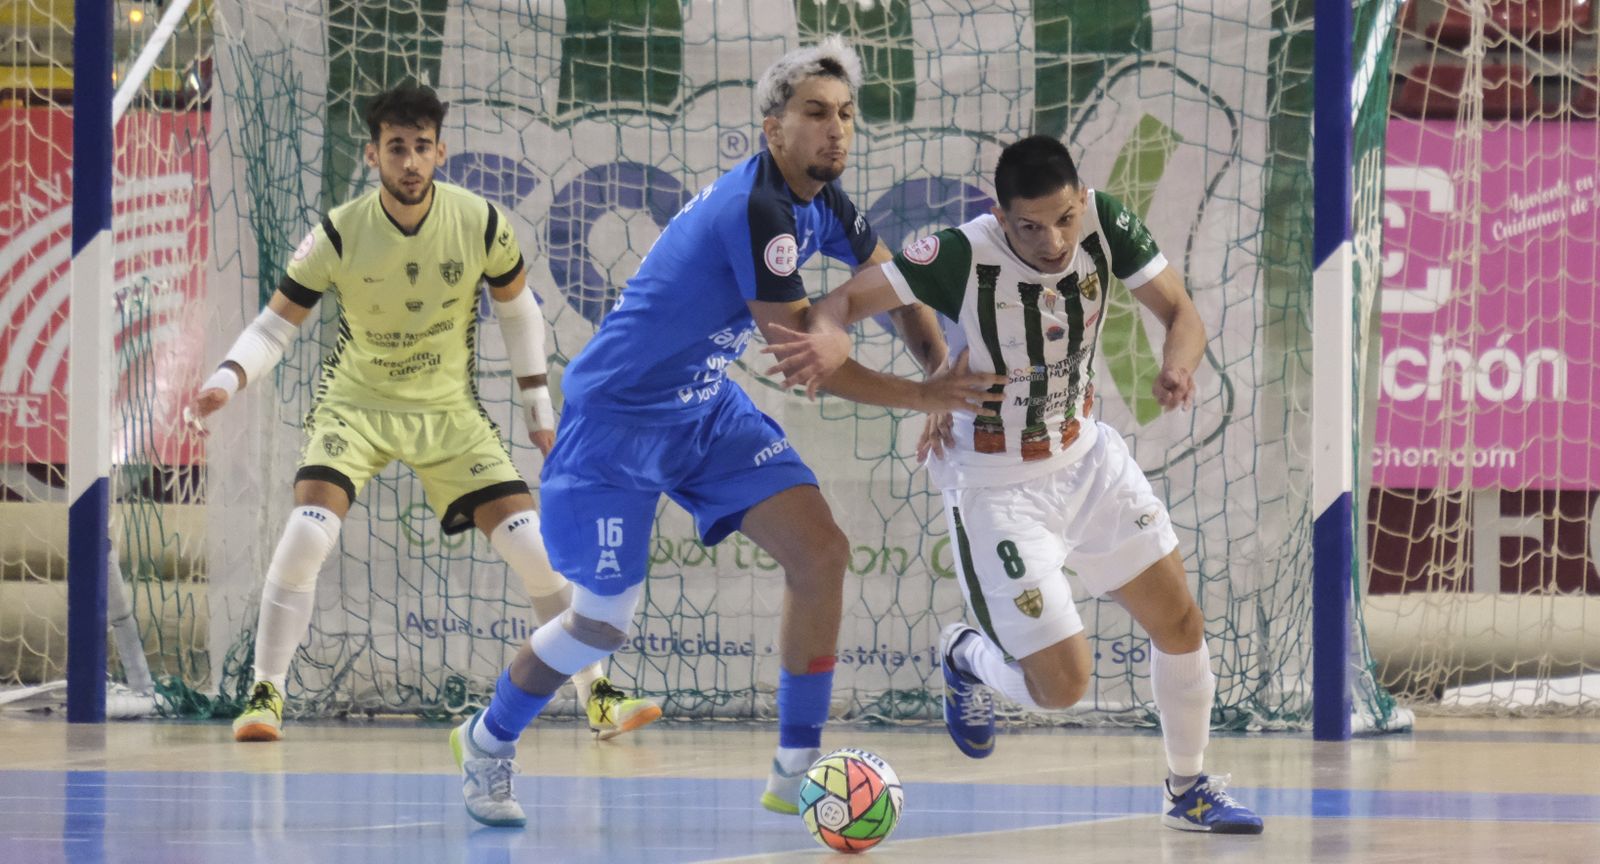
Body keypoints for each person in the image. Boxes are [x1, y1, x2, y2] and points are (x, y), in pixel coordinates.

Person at [448, 37, 1005, 827]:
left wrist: (942, 376)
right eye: (815, 113)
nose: (835, 130)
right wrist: (923, 396)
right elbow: (802, 359)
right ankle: (488, 738)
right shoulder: (758, 209)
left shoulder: (826, 201)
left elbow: (900, 285)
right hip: (617, 421)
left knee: (822, 553)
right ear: (773, 128)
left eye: (846, 114)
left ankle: (796, 771)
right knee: (600, 622)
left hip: (703, 407)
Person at [763, 135, 1265, 834]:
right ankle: (966, 654)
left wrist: (1178, 366)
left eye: (1063, 219)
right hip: (997, 487)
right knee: (1063, 688)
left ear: (1080, 201)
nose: (1053, 240)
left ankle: (1188, 787)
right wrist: (828, 337)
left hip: (1088, 459)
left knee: (1180, 622)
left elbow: (1182, 313)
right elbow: (842, 302)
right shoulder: (961, 254)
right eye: (1030, 226)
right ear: (1001, 218)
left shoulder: (1105, 224)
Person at [190, 83, 659, 746]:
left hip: (448, 415)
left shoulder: (481, 222)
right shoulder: (338, 231)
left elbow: (519, 310)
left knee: (539, 554)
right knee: (303, 539)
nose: (408, 162)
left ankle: (598, 692)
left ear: (440, 152)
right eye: (395, 149)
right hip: (355, 408)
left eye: (419, 148)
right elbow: (273, 328)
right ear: (373, 154)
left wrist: (535, 404)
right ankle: (267, 691)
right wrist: (226, 379)